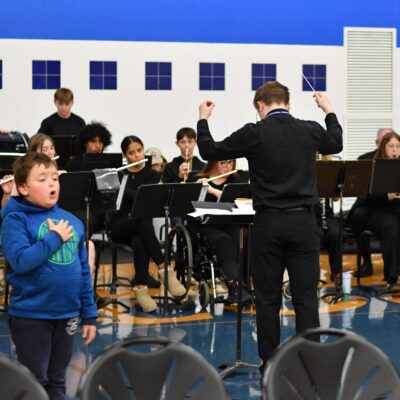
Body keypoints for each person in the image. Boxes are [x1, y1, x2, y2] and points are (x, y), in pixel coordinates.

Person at [196, 81, 342, 373]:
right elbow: (336, 143)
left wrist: (203, 118)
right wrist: (328, 110)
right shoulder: (310, 129)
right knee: (305, 298)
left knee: (267, 299)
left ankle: (270, 365)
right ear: (288, 104)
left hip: (268, 224)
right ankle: (310, 364)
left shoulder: (254, 132)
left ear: (260, 106)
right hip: (303, 224)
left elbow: (208, 150)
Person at [1, 153, 97, 399]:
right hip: (32, 315)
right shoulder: (16, 219)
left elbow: (83, 271)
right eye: (42, 179)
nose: (52, 183)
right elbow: (20, 261)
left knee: (57, 379)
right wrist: (54, 238)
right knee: (34, 381)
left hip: (67, 314)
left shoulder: (72, 222)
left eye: (55, 177)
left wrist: (89, 314)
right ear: (23, 187)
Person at [110, 135, 186, 312]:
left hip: (141, 228)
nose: (137, 155)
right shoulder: (119, 174)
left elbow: (142, 198)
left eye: (139, 150)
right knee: (142, 222)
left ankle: (141, 289)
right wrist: (116, 182)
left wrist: (122, 187)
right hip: (119, 226)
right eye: (131, 153)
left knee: (139, 237)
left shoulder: (151, 174)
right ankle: (164, 268)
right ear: (125, 155)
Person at [193, 160, 251, 303]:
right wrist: (201, 190)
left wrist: (213, 191)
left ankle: (249, 284)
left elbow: (241, 203)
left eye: (231, 162)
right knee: (225, 241)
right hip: (208, 226)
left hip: (232, 224)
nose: (228, 166)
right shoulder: (198, 180)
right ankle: (235, 286)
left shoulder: (237, 182)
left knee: (246, 238)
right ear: (213, 163)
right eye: (223, 163)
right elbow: (191, 208)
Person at [350, 131, 400, 286]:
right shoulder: (373, 165)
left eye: (398, 146)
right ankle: (392, 277)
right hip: (377, 210)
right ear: (383, 148)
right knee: (391, 227)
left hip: (396, 209)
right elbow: (366, 195)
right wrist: (388, 196)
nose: (394, 150)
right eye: (391, 146)